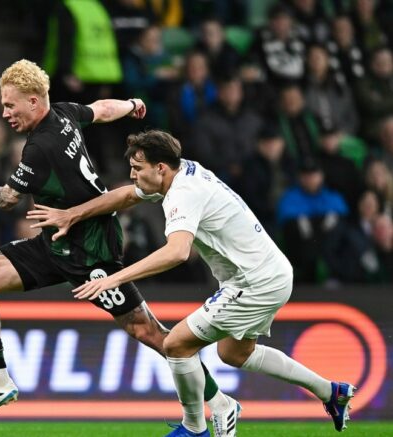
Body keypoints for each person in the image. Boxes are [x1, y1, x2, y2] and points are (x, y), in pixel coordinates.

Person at [0, 60, 238, 435]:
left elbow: (7, 199)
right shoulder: (63, 114)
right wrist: (131, 104)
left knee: (149, 332)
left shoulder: (40, 148)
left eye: (10, 105)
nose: (5, 113)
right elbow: (101, 109)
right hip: (56, 241)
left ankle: (220, 401)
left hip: (91, 250)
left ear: (33, 101)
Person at [28, 129, 354, 436]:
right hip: (269, 274)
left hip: (255, 282)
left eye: (137, 168)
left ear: (160, 168)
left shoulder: (182, 194)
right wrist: (73, 214)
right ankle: (331, 391)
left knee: (176, 345)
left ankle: (195, 427)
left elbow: (177, 252)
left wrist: (115, 278)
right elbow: (127, 195)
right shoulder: (181, 170)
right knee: (235, 354)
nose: (132, 175)